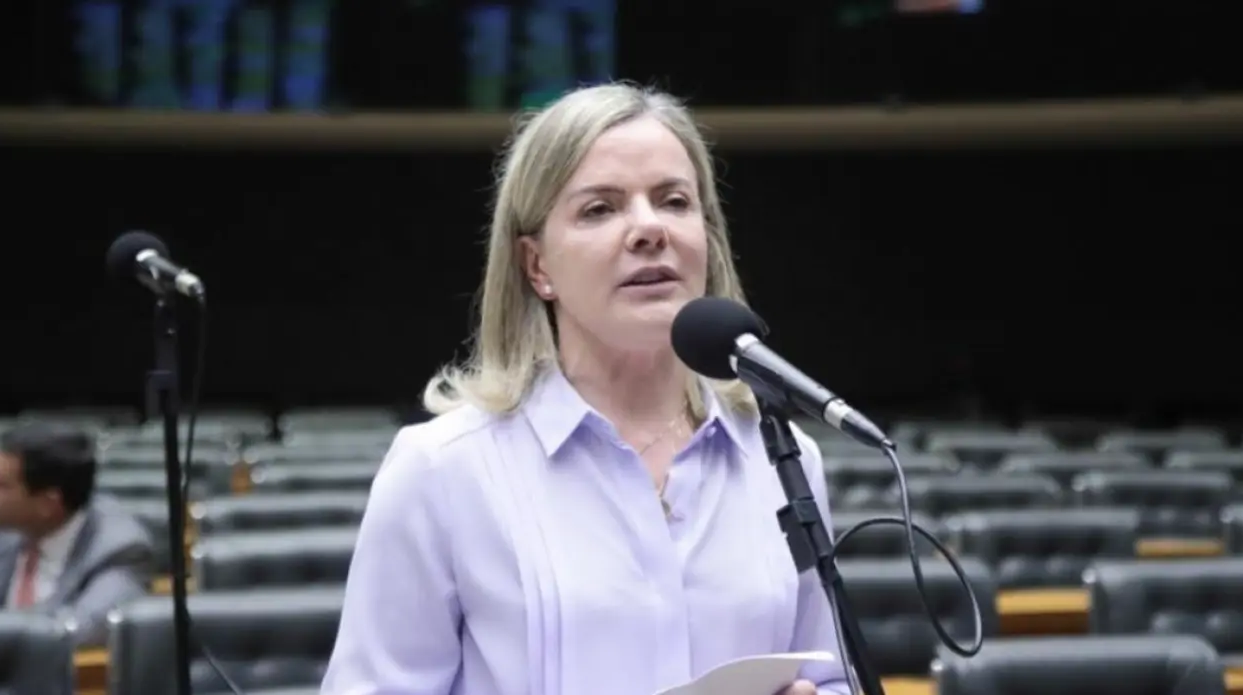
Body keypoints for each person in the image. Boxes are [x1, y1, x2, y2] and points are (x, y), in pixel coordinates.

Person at [321, 82, 857, 695]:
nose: (648, 229)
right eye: (600, 209)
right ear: (537, 267)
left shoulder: (780, 456)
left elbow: (827, 671)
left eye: (674, 201)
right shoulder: (443, 472)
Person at [0, 423, 153, 647]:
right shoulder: (4, 528)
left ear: (47, 503)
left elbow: (81, 633)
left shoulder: (120, 549)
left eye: (0, 485)